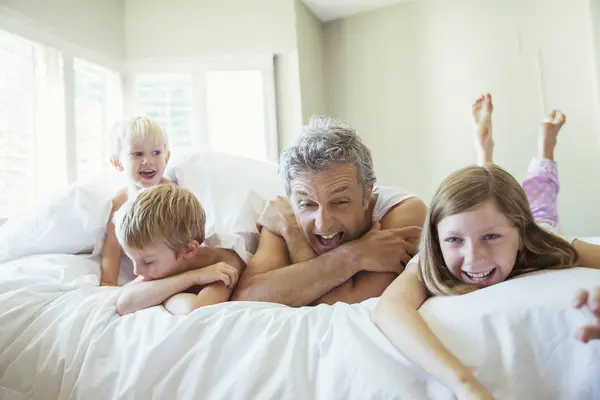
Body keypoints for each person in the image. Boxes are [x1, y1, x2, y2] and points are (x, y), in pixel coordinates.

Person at [372, 93, 600, 399]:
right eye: (454, 240)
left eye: (491, 238)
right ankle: (484, 152)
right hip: (497, 217)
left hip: (532, 222)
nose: (474, 259)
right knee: (485, 201)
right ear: (438, 239)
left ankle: (545, 144)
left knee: (541, 198)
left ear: (520, 237)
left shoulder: (541, 241)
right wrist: (465, 384)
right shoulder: (433, 257)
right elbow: (389, 310)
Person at [232, 116, 426, 306]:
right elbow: (247, 297)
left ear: (367, 195)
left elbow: (342, 303)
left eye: (340, 202)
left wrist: (301, 252)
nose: (322, 223)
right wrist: (354, 255)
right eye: (308, 204)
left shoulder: (404, 211)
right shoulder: (285, 218)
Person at [114, 184, 245, 316]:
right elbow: (125, 303)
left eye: (148, 262)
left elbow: (196, 307)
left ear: (188, 250)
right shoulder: (161, 262)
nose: (137, 271)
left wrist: (159, 295)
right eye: (133, 260)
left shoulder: (223, 264)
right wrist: (195, 277)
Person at [100, 116, 172, 286]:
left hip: (174, 267)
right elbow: (112, 248)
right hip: (145, 273)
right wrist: (108, 283)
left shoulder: (171, 193)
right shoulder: (121, 201)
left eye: (156, 153)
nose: (148, 160)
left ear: (167, 158)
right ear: (118, 163)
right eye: (137, 154)